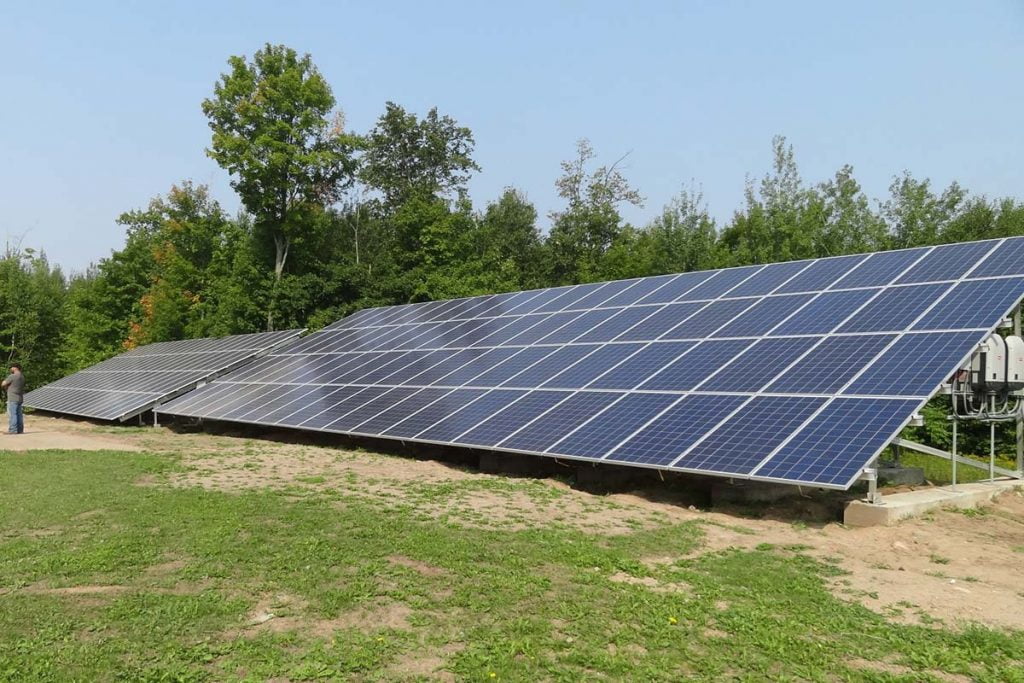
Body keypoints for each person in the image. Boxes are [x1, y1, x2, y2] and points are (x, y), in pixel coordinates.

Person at [2, 363, 25, 435]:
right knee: (19, 415)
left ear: (15, 368)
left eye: (11, 367)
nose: (10, 369)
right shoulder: (22, 377)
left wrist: (6, 385)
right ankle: (20, 430)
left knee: (13, 415)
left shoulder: (12, 376)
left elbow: (3, 383)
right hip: (20, 397)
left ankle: (13, 430)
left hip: (12, 398)